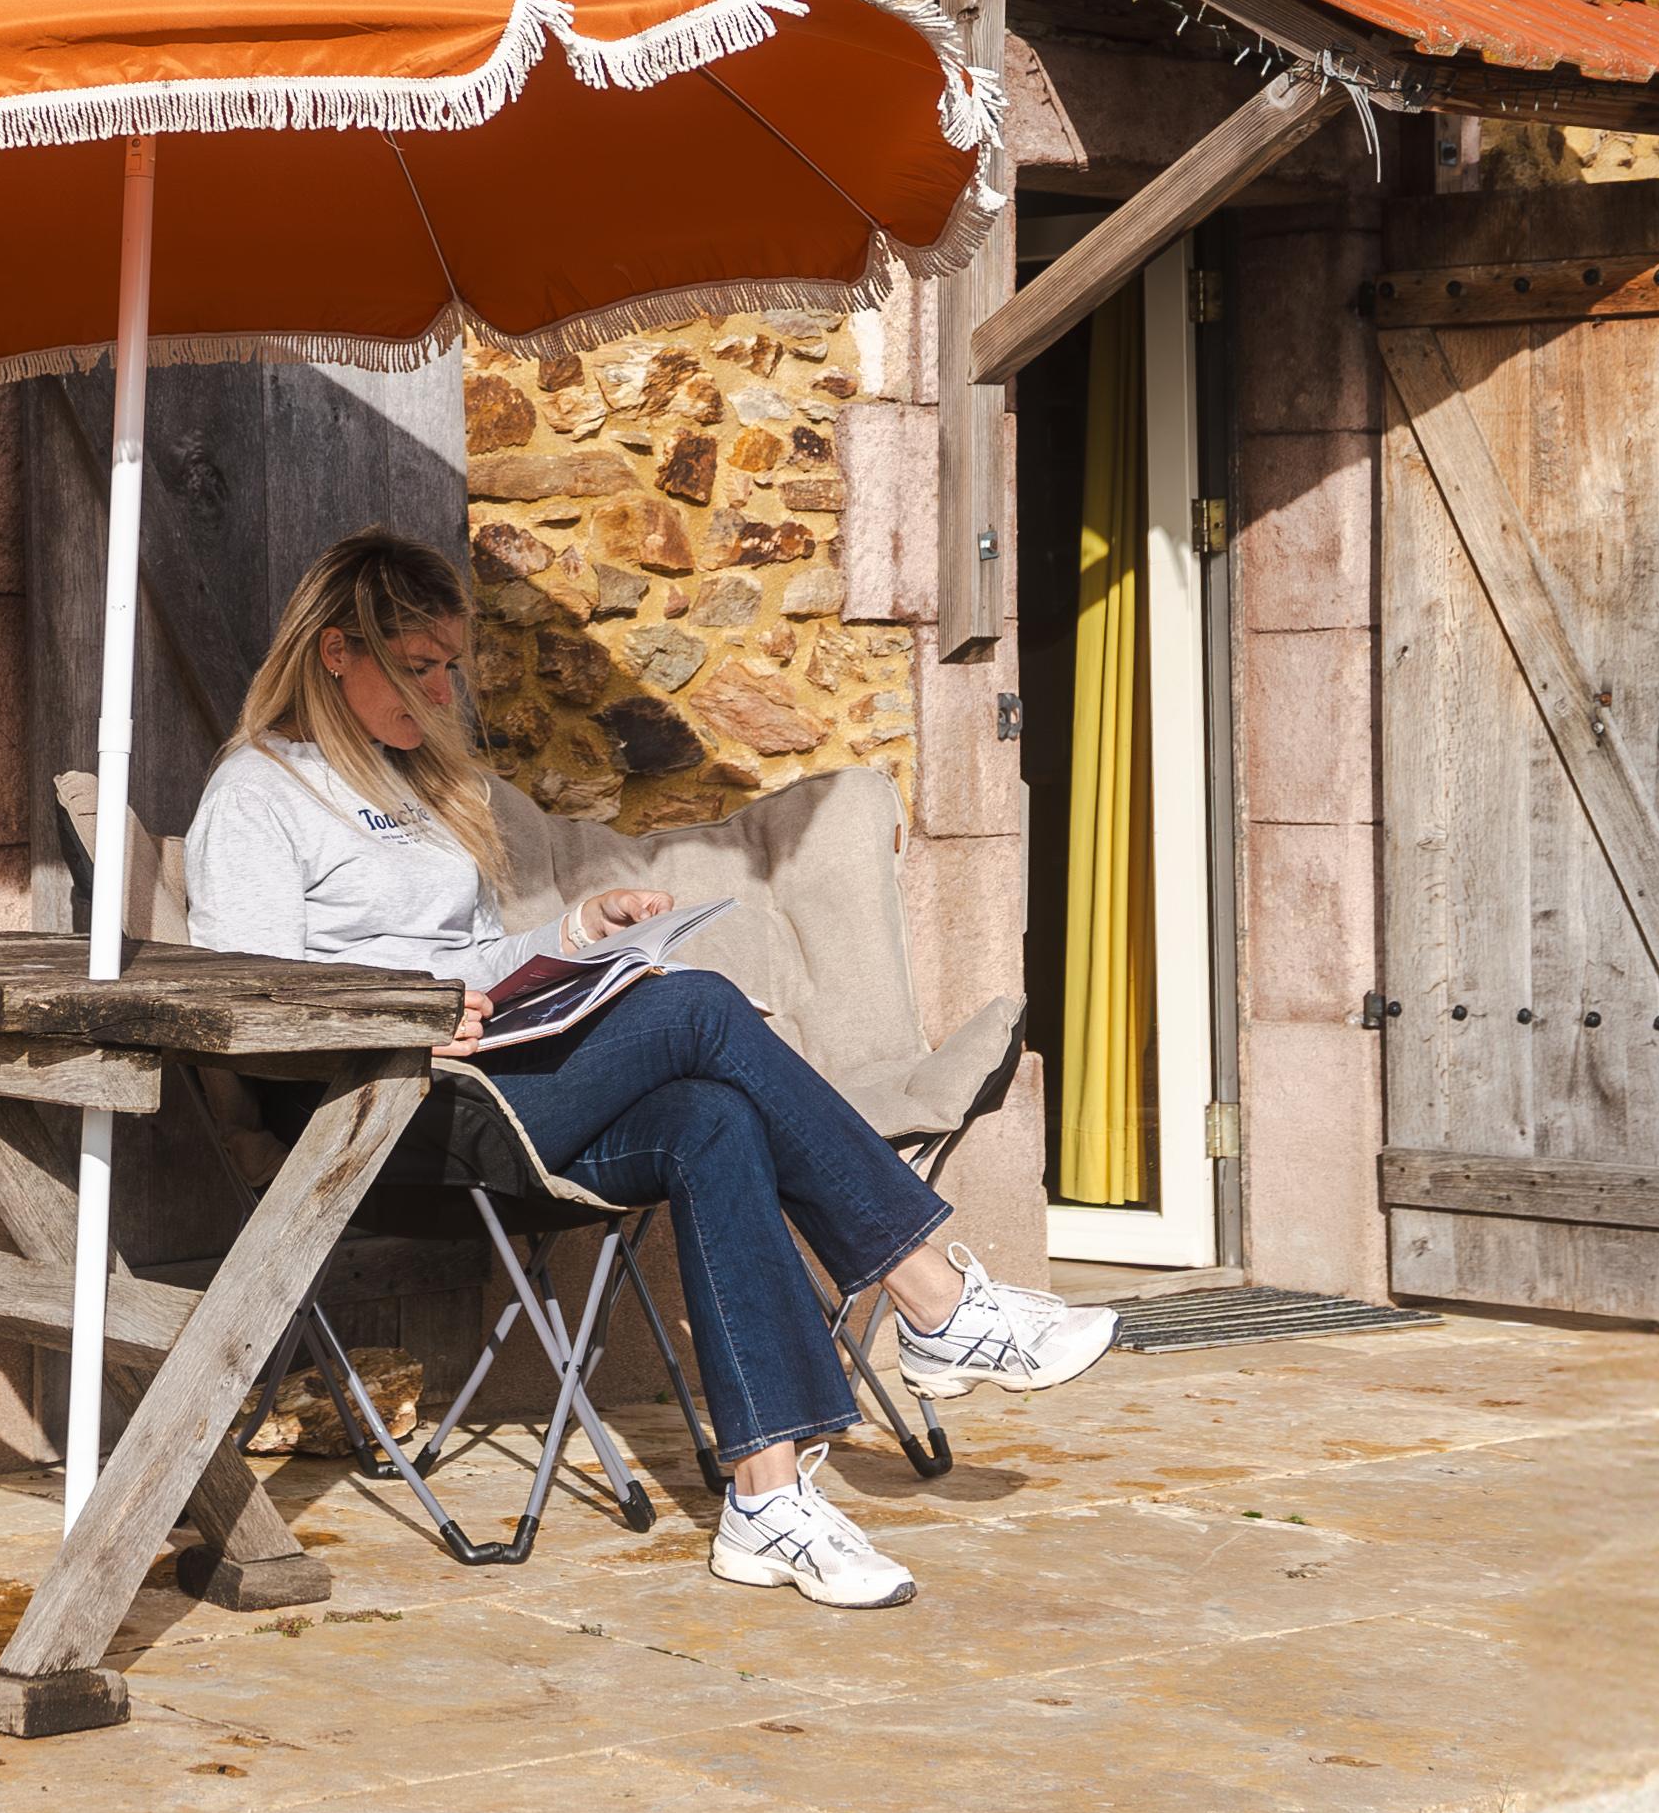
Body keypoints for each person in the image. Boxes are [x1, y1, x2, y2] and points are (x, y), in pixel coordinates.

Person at [182, 528, 1117, 1610]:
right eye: (417, 664)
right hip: (385, 1114)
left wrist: (577, 932)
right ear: (336, 651)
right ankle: (933, 1302)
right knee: (700, 1006)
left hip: (494, 1083)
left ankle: (766, 1500)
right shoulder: (254, 795)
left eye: (450, 664)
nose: (441, 690)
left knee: (712, 1115)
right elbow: (241, 1002)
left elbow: (471, 961)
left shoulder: (419, 784)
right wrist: (390, 1024)